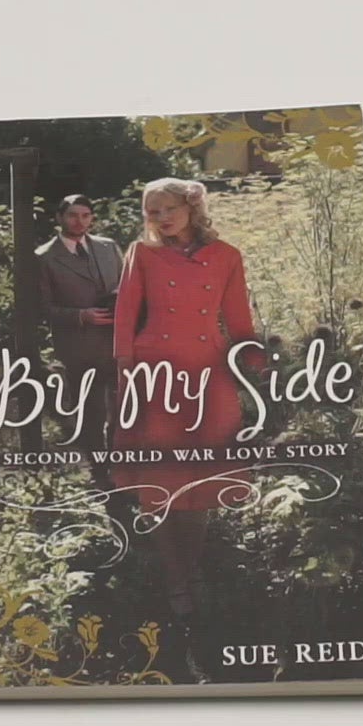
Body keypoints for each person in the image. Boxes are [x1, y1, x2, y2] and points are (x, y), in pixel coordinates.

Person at [112, 177, 264, 682]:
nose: (161, 218)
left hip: (208, 370)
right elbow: (125, 315)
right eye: (152, 211)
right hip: (155, 371)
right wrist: (125, 370)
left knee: (203, 477)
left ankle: (190, 565)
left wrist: (255, 367)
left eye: (169, 209)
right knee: (159, 475)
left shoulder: (226, 255)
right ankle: (175, 577)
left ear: (191, 208)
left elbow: (238, 317)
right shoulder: (142, 254)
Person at [34, 195, 121, 484]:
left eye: (85, 215)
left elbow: (128, 286)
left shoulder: (108, 247)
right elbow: (41, 308)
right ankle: (99, 471)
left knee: (123, 406)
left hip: (116, 340)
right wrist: (82, 316)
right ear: (59, 218)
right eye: (72, 215)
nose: (79, 221)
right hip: (78, 346)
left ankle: (121, 466)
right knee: (91, 409)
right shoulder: (44, 257)